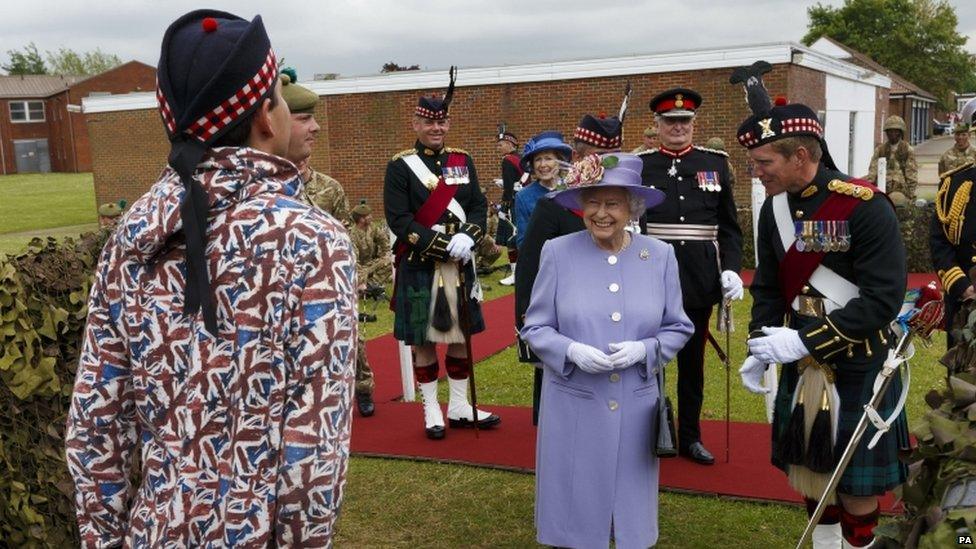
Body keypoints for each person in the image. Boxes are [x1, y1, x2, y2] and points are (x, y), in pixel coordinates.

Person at [65, 10, 356, 546]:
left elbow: (93, 430)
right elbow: (313, 452)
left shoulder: (130, 238)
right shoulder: (313, 242)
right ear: (268, 117)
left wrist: (104, 540)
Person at [734, 64, 907, 548]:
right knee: (812, 475)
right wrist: (761, 343)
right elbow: (769, 286)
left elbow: (882, 301)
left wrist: (803, 338)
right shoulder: (774, 208)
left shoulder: (866, 207)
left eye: (764, 161)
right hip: (800, 358)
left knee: (854, 484)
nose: (756, 171)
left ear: (801, 156)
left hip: (858, 361)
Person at [522, 153, 694, 549]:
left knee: (631, 516)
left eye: (612, 203)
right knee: (574, 511)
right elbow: (535, 326)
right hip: (574, 401)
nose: (601, 213)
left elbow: (678, 326)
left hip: (635, 402)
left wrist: (646, 349)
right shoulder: (557, 252)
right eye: (593, 203)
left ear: (631, 208)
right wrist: (569, 351)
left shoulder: (660, 255)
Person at [384, 67, 500, 439]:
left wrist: (468, 236)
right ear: (416, 123)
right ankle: (431, 408)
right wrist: (441, 247)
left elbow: (479, 206)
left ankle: (461, 406)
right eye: (429, 122)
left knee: (461, 336)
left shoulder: (462, 161)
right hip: (421, 263)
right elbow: (400, 220)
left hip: (461, 264)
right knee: (424, 339)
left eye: (442, 122)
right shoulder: (401, 166)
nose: (437, 128)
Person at [637, 88, 744, 465]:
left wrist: (731, 268)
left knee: (692, 364)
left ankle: (691, 436)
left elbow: (730, 227)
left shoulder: (713, 163)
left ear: (693, 123)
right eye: (670, 121)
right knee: (647, 360)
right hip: (649, 274)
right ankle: (649, 432)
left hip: (699, 279)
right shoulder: (642, 165)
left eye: (684, 121)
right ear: (657, 125)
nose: (678, 127)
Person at [515, 113, 624, 425]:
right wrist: (527, 320)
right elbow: (530, 266)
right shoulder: (554, 206)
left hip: (617, 315)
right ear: (577, 157)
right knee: (560, 401)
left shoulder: (630, 205)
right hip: (568, 318)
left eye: (611, 156)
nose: (605, 164)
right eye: (596, 156)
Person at [281, 68, 375, 417]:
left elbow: (345, 236)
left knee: (353, 340)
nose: (315, 128)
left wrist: (356, 274)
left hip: (329, 283)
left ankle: (363, 389)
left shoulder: (330, 188)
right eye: (303, 118)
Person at [931, 100, 976, 349]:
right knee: (963, 382)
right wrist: (963, 287)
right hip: (964, 298)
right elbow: (940, 241)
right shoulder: (954, 186)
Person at [513, 131, 572, 248]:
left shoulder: (572, 189)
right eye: (538, 159)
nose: (542, 164)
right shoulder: (524, 196)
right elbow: (522, 242)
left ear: (560, 161)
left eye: (548, 158)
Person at [866, 115, 918, 200]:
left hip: (900, 190)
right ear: (886, 132)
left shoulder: (907, 150)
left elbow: (912, 175)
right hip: (881, 188)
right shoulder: (880, 150)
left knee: (896, 200)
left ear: (900, 132)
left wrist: (910, 195)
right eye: (890, 131)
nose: (892, 134)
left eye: (895, 131)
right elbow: (872, 172)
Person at [496, 131, 523, 285]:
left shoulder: (507, 160)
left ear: (510, 144)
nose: (498, 148)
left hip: (513, 202)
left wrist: (504, 206)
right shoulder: (521, 158)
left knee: (512, 238)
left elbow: (508, 188)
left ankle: (515, 274)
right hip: (523, 200)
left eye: (500, 145)